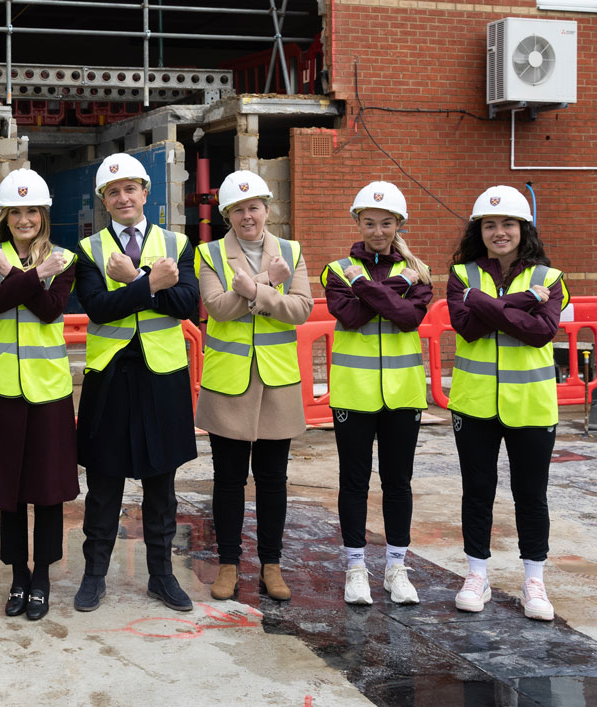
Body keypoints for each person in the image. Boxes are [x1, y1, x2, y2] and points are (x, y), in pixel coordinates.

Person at [71, 153, 199, 613]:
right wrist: (150, 285)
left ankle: (161, 577)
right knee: (103, 483)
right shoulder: (88, 251)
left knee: (160, 485)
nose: (123, 197)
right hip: (109, 378)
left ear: (146, 193)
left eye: (130, 189)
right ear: (104, 201)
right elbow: (99, 307)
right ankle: (94, 576)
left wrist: (134, 280)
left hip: (161, 377)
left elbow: (187, 302)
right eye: (113, 191)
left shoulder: (178, 243)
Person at [446, 185, 567, 622]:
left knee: (530, 494)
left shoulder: (549, 279)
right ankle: (476, 574)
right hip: (474, 405)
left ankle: (534, 579)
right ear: (479, 231)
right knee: (477, 492)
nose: (499, 232)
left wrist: (485, 304)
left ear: (524, 229)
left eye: (508, 224)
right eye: (490, 225)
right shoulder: (462, 274)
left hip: (532, 405)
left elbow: (541, 333)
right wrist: (515, 307)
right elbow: (467, 329)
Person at [0, 168, 79, 621]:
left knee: (47, 489)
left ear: (44, 214)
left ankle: (43, 578)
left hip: (48, 389)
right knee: (9, 489)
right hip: (0, 389)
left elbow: (51, 311)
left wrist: (14, 275)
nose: (24, 218)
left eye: (32, 210)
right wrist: (31, 275)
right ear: (5, 215)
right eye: (16, 211)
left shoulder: (66, 259)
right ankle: (17, 575)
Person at [196, 170, 312, 602]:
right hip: (229, 383)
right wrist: (266, 283)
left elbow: (300, 310)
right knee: (227, 479)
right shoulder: (209, 253)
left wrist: (254, 291)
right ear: (227, 213)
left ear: (267, 208)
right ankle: (228, 563)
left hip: (277, 382)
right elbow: (217, 308)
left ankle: (271, 564)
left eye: (254, 207)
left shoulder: (291, 251)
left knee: (272, 479)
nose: (248, 216)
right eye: (238, 209)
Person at [320, 181, 431, 605]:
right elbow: (348, 317)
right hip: (354, 394)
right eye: (369, 222)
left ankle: (396, 569)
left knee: (398, 482)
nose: (378, 230)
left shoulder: (417, 270)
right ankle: (355, 568)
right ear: (357, 221)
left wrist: (365, 287)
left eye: (387, 223)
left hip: (402, 395)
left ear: (399, 223)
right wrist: (391, 290)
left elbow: (407, 320)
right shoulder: (336, 269)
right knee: (353, 481)